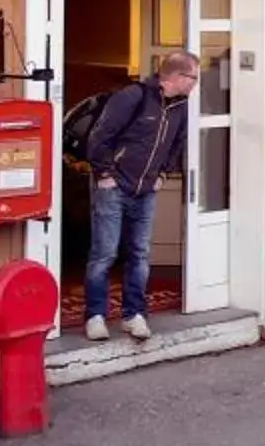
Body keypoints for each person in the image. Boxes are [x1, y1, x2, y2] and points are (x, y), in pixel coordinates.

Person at [83, 50, 196, 341]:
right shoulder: (134, 97)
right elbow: (99, 136)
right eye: (193, 77)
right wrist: (105, 174)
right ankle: (95, 316)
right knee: (104, 254)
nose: (195, 84)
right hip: (114, 187)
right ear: (177, 76)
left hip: (145, 190)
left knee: (139, 254)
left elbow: (177, 145)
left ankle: (134, 315)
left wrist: (162, 175)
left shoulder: (181, 106)